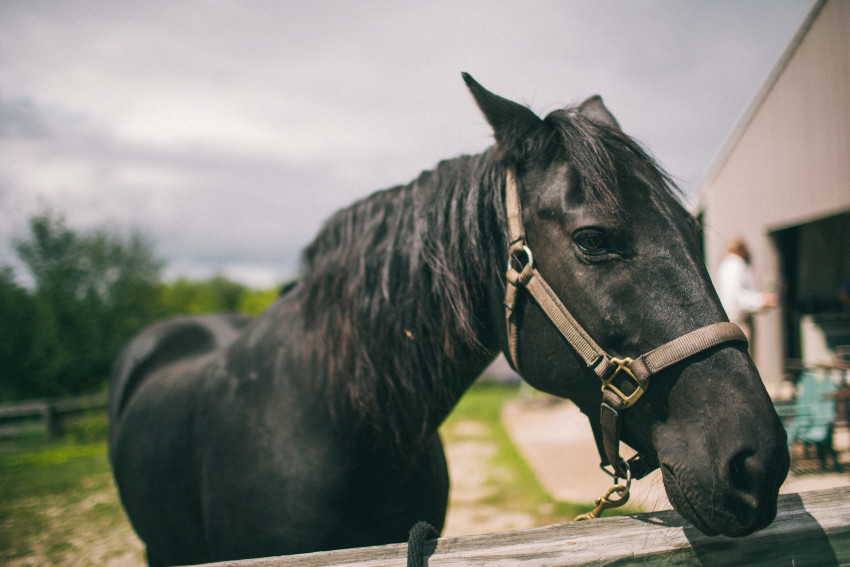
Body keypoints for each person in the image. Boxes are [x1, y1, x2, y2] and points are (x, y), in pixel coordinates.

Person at [716, 238, 778, 344]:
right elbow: (738, 297)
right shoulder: (738, 266)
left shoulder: (723, 267)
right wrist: (763, 300)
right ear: (742, 251)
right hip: (739, 322)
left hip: (726, 321)